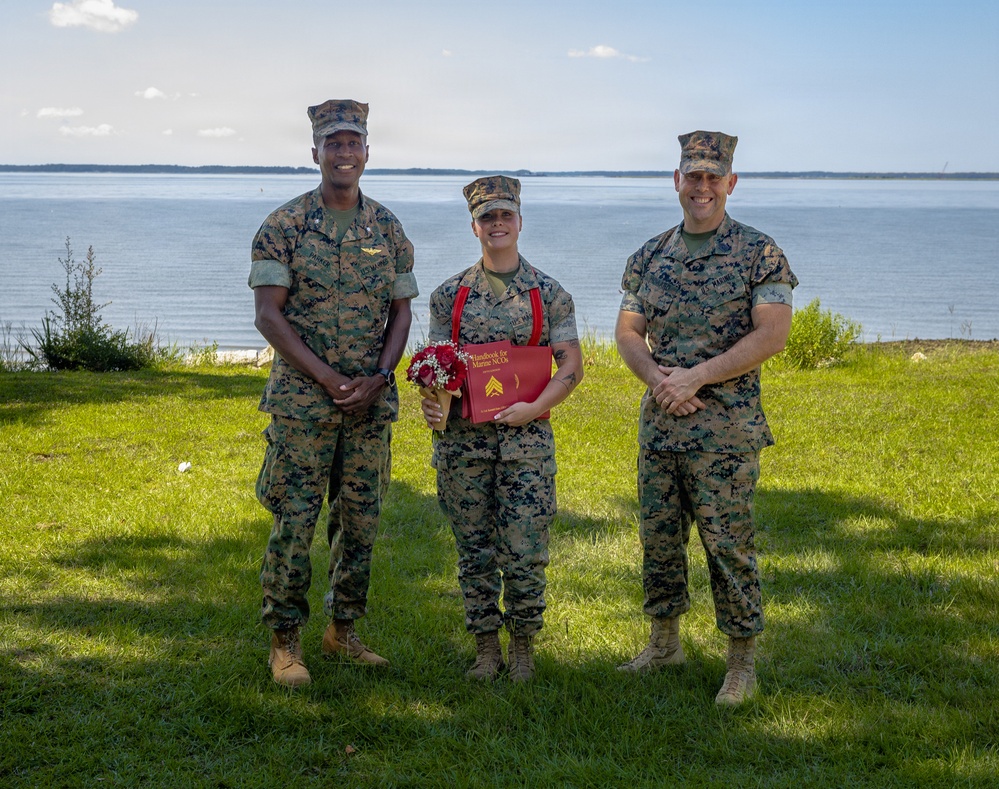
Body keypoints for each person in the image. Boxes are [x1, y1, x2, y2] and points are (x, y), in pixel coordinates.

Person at [615, 131, 797, 705]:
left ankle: (741, 662)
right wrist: (660, 381)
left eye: (712, 177)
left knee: (728, 544)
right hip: (662, 426)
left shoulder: (758, 252)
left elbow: (773, 332)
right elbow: (628, 332)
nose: (702, 186)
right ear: (676, 181)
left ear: (731, 183)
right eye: (692, 176)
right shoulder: (648, 256)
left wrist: (697, 376)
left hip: (725, 431)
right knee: (659, 541)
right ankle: (664, 642)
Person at [249, 99, 418, 687]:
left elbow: (401, 313)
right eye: (333, 143)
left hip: (370, 405)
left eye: (354, 143)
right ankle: (285, 641)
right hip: (303, 404)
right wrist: (326, 377)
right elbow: (269, 318)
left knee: (360, 520)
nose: (344, 153)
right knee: (294, 520)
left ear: (367, 153)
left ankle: (342, 630)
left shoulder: (389, 228)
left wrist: (380, 375)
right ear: (315, 152)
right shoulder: (284, 226)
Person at [421, 176, 582, 683]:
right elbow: (437, 365)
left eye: (504, 215)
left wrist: (535, 408)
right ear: (474, 225)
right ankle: (487, 648)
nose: (497, 224)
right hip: (464, 445)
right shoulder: (450, 295)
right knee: (473, 550)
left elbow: (571, 367)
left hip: (526, 447)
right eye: (487, 217)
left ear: (519, 220)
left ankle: (524, 650)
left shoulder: (550, 294)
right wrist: (433, 403)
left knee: (526, 549)